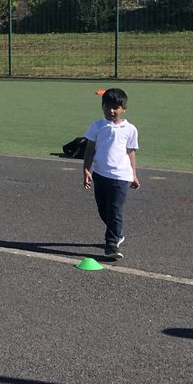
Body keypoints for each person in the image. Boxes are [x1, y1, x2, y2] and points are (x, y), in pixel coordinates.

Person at [82, 87, 140, 261]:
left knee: (115, 210)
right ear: (102, 107)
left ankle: (112, 244)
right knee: (103, 210)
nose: (111, 111)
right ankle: (117, 232)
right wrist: (86, 169)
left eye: (116, 107)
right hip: (100, 174)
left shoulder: (130, 129)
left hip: (121, 177)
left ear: (124, 109)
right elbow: (89, 150)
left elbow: (130, 152)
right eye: (107, 107)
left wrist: (134, 174)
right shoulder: (97, 126)